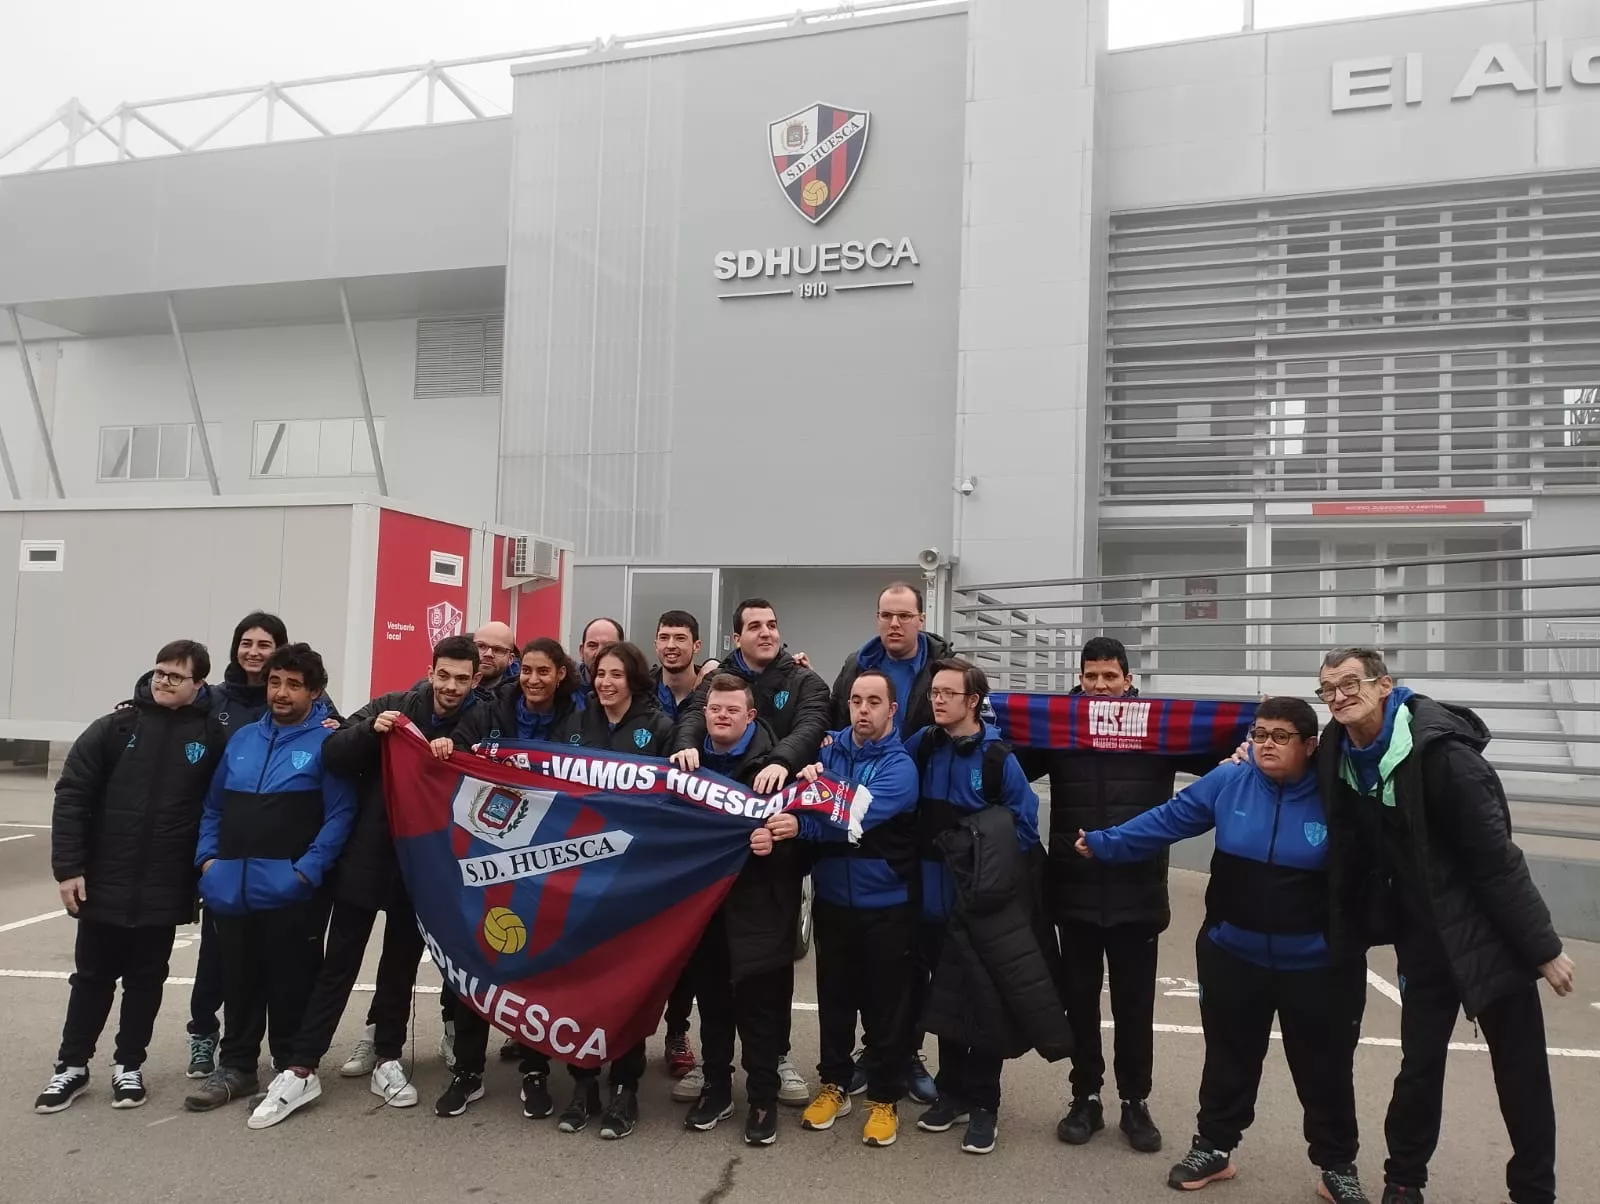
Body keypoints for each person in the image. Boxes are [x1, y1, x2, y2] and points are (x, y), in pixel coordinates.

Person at [1077, 697, 1370, 1203]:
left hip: (1319, 965)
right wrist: (1107, 842)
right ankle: (1214, 1147)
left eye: (1280, 736)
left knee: (1325, 1069)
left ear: (1309, 744)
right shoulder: (1230, 779)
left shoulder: (1338, 790)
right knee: (1228, 1060)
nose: (1267, 745)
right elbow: (1171, 818)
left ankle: (1336, 1165)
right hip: (1234, 954)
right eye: (1259, 735)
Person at [1314, 648, 1572, 1204]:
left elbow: (1496, 859)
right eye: (1328, 688)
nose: (1338, 696)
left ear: (1385, 686)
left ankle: (1534, 1191)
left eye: (1351, 683)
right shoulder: (1337, 752)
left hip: (1490, 937)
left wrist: (1543, 949)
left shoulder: (1445, 759)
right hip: (1423, 940)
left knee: (1521, 1074)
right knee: (1419, 1068)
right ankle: (1404, 1182)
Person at [243, 636, 485, 1129]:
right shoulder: (393, 705)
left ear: (475, 680)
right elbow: (333, 752)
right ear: (431, 670)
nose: (452, 686)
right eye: (445, 675)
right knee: (339, 967)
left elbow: (497, 762)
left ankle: (389, 1059)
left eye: (463, 678)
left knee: (400, 967)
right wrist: (371, 732)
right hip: (367, 858)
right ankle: (302, 1066)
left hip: (426, 867)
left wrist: (457, 747)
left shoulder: (481, 717)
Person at [1035, 636, 1216, 1156]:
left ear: (1129, 680)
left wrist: (1246, 738)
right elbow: (1008, 758)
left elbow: (1217, 754)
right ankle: (1085, 1096)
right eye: (1090, 677)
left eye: (1109, 677)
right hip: (1073, 891)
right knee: (1080, 1005)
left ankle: (1135, 1102)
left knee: (1135, 1007)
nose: (1099, 687)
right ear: (1080, 679)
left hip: (1138, 892)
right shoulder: (1060, 727)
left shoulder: (1157, 730)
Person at [35, 641, 228, 1114]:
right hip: (104, 880)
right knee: (91, 978)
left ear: (199, 685)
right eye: (159, 672)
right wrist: (69, 869)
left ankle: (129, 1067)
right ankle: (72, 1067)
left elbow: (219, 808)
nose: (162, 681)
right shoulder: (115, 727)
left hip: (166, 884)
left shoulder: (211, 737)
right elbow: (73, 795)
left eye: (175, 676)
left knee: (146, 979)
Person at [183, 644, 357, 1114]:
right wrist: (207, 862)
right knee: (237, 980)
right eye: (276, 682)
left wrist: (305, 872)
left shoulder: (327, 742)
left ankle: (290, 1070)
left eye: (294, 685)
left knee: (291, 982)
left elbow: (340, 816)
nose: (281, 693)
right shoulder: (242, 739)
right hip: (230, 887)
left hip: (292, 890)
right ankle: (236, 1067)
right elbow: (214, 806)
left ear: (315, 691)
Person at [670, 598, 831, 1106]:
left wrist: (782, 760)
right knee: (712, 976)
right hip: (712, 873)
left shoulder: (807, 680)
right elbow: (696, 715)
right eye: (754, 626)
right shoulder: (716, 679)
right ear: (736, 637)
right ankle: (712, 1071)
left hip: (773, 850)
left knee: (769, 975)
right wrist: (690, 743)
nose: (766, 632)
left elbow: (811, 727)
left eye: (773, 624)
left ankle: (776, 1060)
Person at [905, 657, 1057, 1156]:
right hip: (932, 902)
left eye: (950, 693)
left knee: (985, 1003)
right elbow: (883, 766)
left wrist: (971, 842)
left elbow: (1025, 831)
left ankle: (985, 1103)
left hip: (981, 904)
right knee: (945, 1000)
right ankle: (951, 1094)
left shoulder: (997, 760)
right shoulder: (924, 745)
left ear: (973, 701)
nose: (939, 700)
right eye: (935, 693)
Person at [438, 637, 586, 1118]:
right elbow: (455, 753)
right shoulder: (488, 710)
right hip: (483, 854)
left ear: (561, 673)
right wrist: (444, 746)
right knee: (475, 960)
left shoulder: (577, 719)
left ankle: (535, 1070)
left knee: (535, 964)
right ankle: (468, 1071)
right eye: (528, 672)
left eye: (545, 672)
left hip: (547, 860)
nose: (535, 680)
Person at [783, 668, 919, 1148]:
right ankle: (834, 1086)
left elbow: (846, 817)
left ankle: (884, 1099)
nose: (863, 709)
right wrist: (809, 799)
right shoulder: (827, 748)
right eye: (857, 700)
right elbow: (806, 798)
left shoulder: (901, 768)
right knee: (835, 1002)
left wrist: (802, 823)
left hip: (888, 906)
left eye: (874, 702)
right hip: (833, 903)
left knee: (886, 1009)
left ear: (891, 709)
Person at [549, 640, 676, 1140]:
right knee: (581, 985)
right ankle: (584, 1086)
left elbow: (673, 804)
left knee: (628, 989)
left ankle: (626, 1088)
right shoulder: (574, 727)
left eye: (616, 675)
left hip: (633, 881)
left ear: (634, 680)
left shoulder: (660, 730)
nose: (606, 682)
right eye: (600, 673)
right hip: (579, 877)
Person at [679, 675, 806, 1147]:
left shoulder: (780, 770)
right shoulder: (685, 768)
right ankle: (715, 1089)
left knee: (759, 1013)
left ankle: (762, 1098)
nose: (722, 716)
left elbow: (806, 847)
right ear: (704, 713)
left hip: (760, 911)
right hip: (706, 909)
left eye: (732, 710)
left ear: (751, 715)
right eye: (715, 709)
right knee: (712, 1008)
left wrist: (774, 842)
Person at [184, 609, 289, 1079]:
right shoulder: (214, 699)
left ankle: (264, 1047)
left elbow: (336, 732)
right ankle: (203, 1034)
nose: (254, 652)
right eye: (247, 643)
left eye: (264, 644)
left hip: (271, 853)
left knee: (266, 957)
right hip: (220, 844)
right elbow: (169, 702)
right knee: (215, 954)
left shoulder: (296, 698)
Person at [828, 582, 951, 741]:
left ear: (921, 620)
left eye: (904, 616)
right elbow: (833, 718)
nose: (894, 624)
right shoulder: (855, 665)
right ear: (877, 619)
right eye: (886, 615)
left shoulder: (943, 672)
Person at [652, 610, 705, 723]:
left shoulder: (711, 691)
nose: (670, 645)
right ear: (656, 645)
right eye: (664, 638)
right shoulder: (639, 691)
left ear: (696, 646)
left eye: (680, 638)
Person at [473, 621, 520, 695]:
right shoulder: (450, 686)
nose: (488, 654)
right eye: (481, 646)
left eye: (498, 650)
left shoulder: (520, 695)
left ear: (510, 659)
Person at [577, 617, 625, 690]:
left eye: (608, 646)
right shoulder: (561, 689)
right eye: (592, 645)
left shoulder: (639, 692)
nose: (599, 653)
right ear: (581, 651)